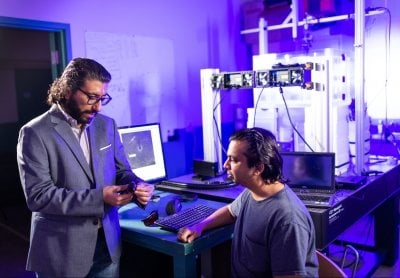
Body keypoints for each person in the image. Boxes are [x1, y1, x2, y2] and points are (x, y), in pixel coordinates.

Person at [16, 57, 154, 278]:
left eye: (102, 98)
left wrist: (136, 185)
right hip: (61, 252)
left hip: (107, 245)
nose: (97, 106)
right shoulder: (34, 132)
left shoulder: (106, 124)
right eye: (91, 98)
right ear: (68, 90)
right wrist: (100, 198)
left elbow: (122, 170)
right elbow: (39, 197)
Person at [177, 127, 318, 277]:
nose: (226, 165)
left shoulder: (287, 219)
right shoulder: (253, 192)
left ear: (258, 167)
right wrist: (199, 226)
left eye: (234, 160)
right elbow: (231, 211)